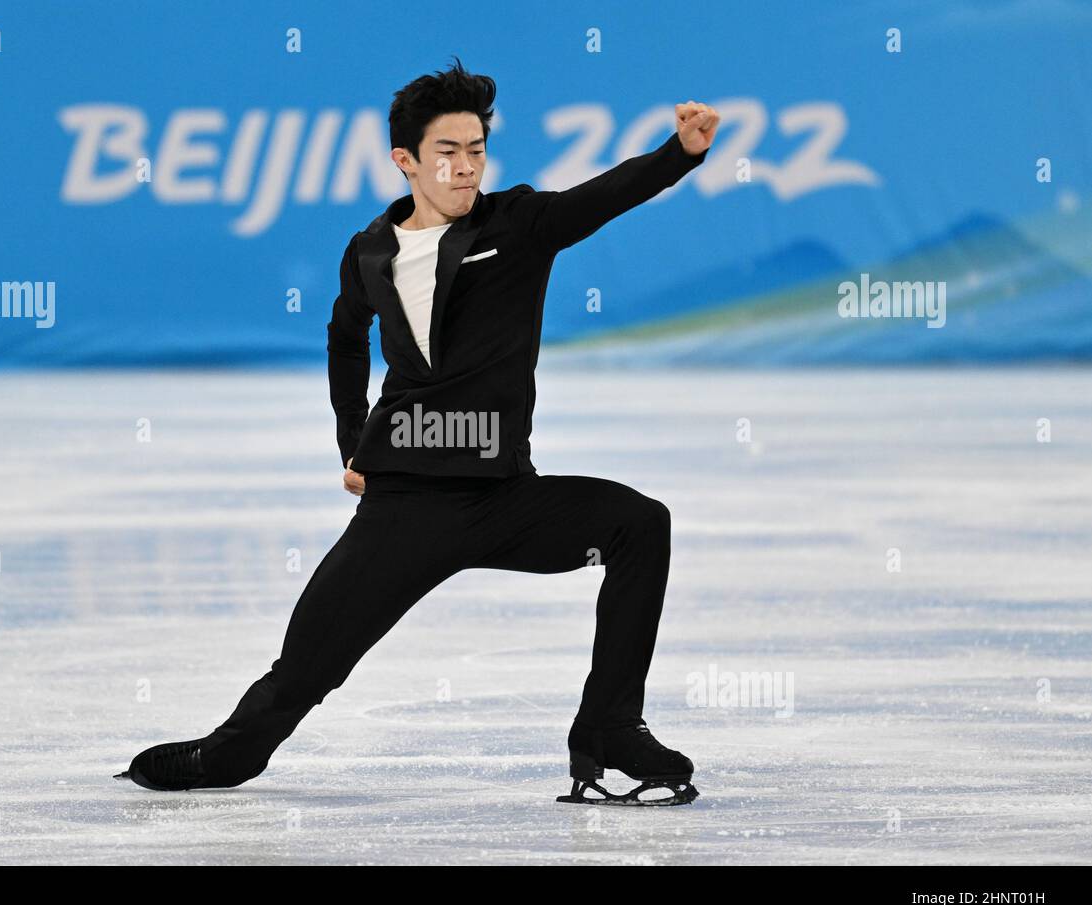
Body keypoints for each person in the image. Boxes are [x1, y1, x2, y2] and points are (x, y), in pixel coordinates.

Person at [117, 56, 720, 806]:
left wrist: (679, 155)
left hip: (504, 501)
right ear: (406, 160)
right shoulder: (371, 251)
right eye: (447, 153)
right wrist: (350, 442)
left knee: (639, 524)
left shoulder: (521, 224)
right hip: (406, 508)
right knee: (303, 672)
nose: (466, 168)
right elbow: (344, 337)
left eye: (476, 151)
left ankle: (608, 728)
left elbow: (603, 198)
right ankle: (231, 754)